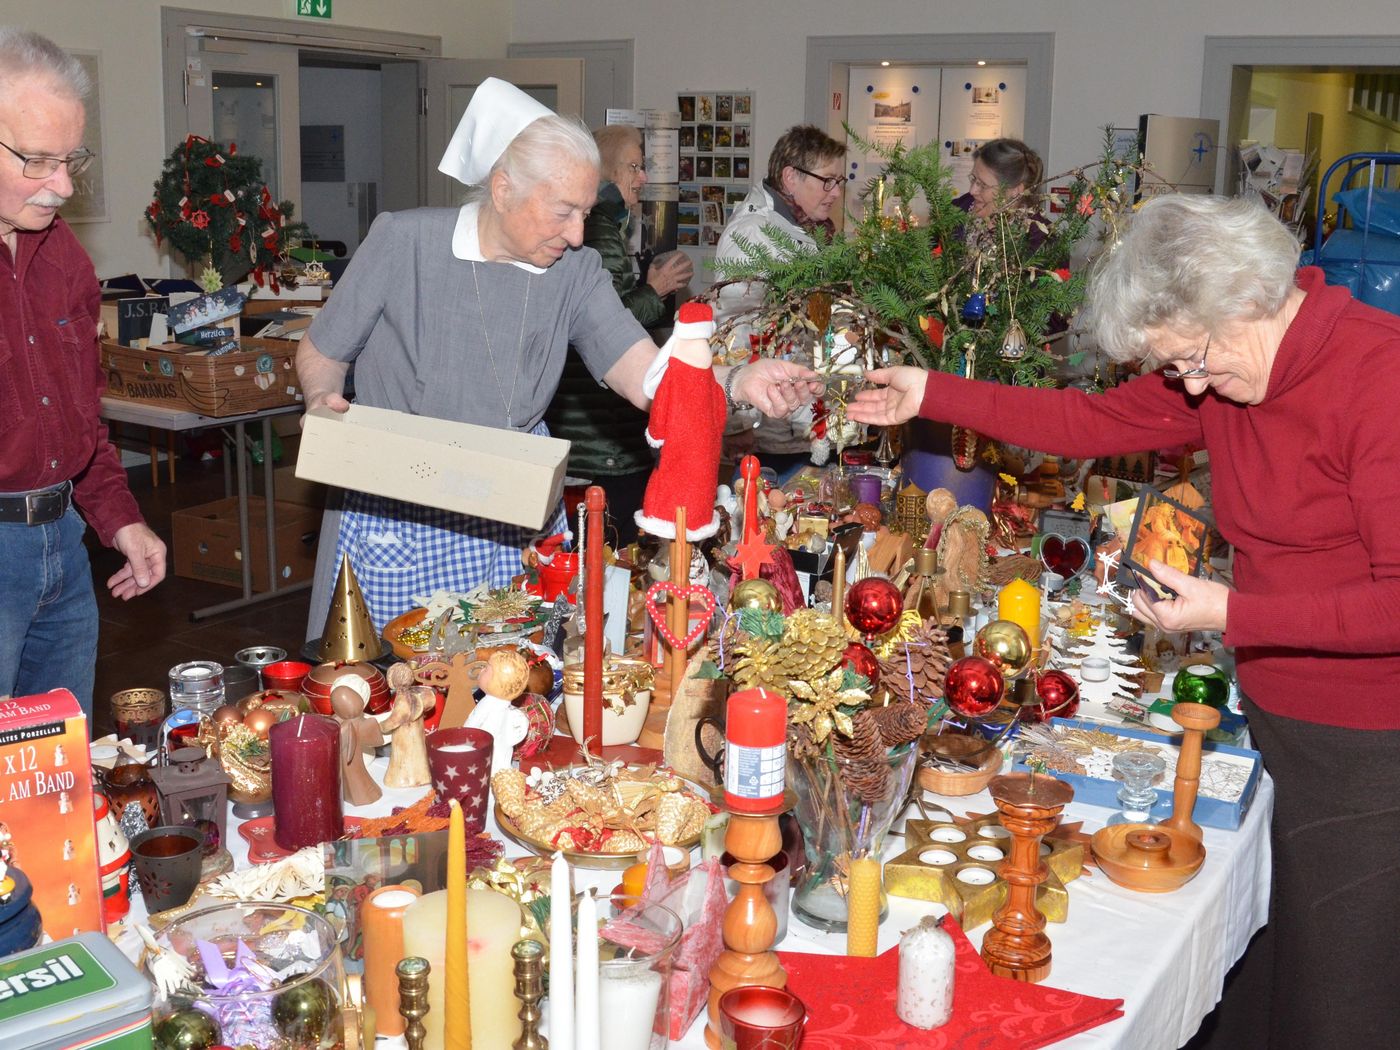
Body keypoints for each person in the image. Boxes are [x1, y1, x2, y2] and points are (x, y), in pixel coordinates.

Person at [849, 192, 1400, 1050]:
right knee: (1270, 965)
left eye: (1190, 360)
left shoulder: (1377, 376)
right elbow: (1091, 423)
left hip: (1370, 746)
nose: (1185, 386)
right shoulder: (1225, 363)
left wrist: (1234, 611)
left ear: (1242, 297)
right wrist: (932, 390)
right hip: (1280, 717)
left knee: (1345, 999)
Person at [298, 79, 816, 635]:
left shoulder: (574, 272)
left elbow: (646, 375)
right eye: (563, 212)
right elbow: (322, 351)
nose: (575, 236)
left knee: (512, 678)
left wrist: (738, 380)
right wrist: (321, 401)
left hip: (512, 508)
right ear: (502, 188)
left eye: (586, 214)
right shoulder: (406, 242)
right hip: (403, 507)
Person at [0, 28, 166, 713]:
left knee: (59, 790)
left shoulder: (62, 254)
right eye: (38, 161)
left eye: (71, 160)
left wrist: (118, 519)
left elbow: (75, 415)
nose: (62, 186)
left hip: (63, 545)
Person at [545, 124, 693, 543]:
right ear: (606, 172)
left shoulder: (607, 226)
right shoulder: (600, 231)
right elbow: (604, 325)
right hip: (600, 444)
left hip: (588, 435)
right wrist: (656, 290)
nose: (643, 177)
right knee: (610, 557)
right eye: (634, 166)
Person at [713, 125, 847, 478]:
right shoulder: (753, 234)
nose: (835, 192)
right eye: (827, 181)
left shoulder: (811, 230)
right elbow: (733, 330)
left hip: (805, 417)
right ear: (790, 177)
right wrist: (737, 422)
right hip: (773, 427)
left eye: (839, 181)